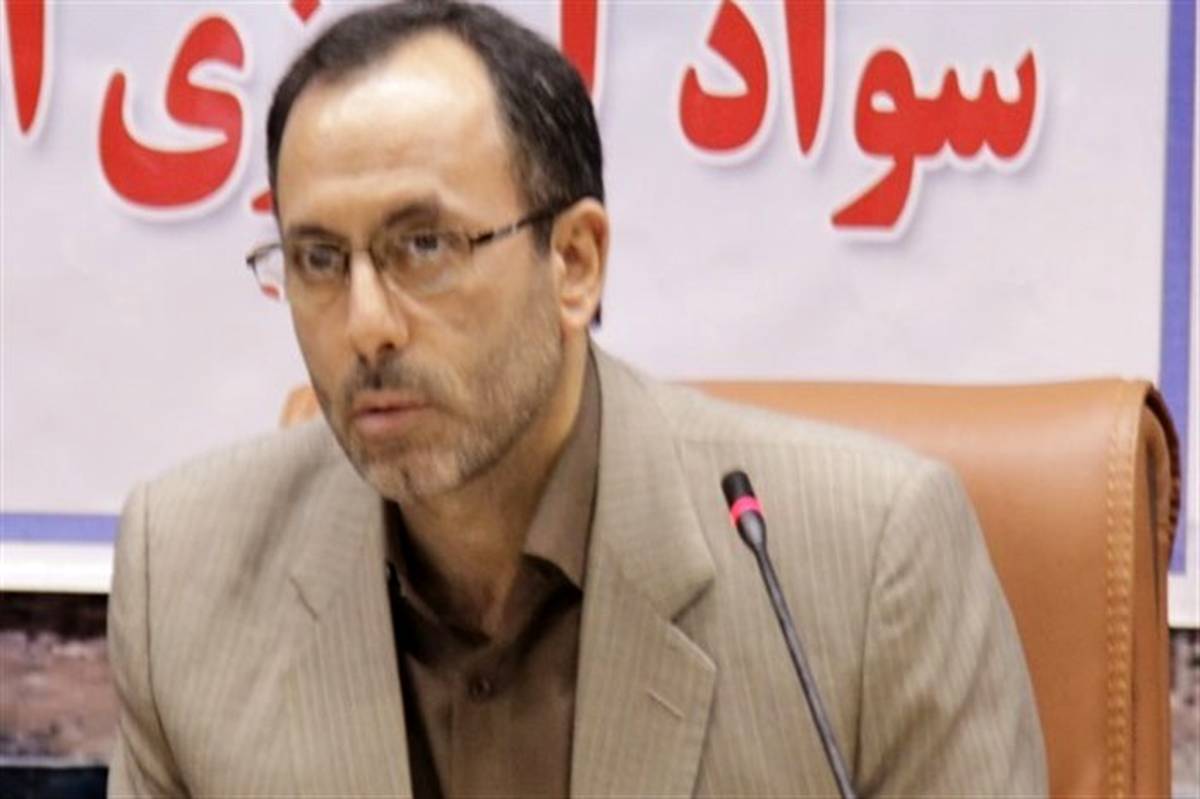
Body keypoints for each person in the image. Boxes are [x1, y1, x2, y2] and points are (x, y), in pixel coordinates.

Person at [106, 1, 1047, 796]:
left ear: (575, 263)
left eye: (424, 246)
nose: (366, 325)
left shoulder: (865, 566)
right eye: (318, 259)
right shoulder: (182, 579)